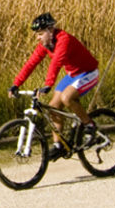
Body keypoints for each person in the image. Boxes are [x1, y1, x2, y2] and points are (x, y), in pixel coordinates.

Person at [11, 12, 101, 159]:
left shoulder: (63, 39)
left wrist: (48, 85)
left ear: (50, 31)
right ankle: (58, 145)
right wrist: (16, 84)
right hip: (73, 75)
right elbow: (31, 63)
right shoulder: (46, 45)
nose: (38, 37)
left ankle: (89, 125)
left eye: (40, 34)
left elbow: (56, 62)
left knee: (67, 98)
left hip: (88, 72)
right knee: (53, 107)